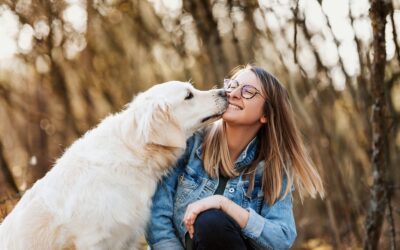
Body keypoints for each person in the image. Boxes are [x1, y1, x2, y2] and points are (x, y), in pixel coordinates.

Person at [146, 65, 324, 250]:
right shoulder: (190, 141)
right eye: (232, 84)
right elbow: (157, 221)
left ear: (266, 114)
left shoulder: (273, 168)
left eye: (248, 92)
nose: (233, 93)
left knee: (211, 222)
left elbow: (281, 238)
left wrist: (225, 205)